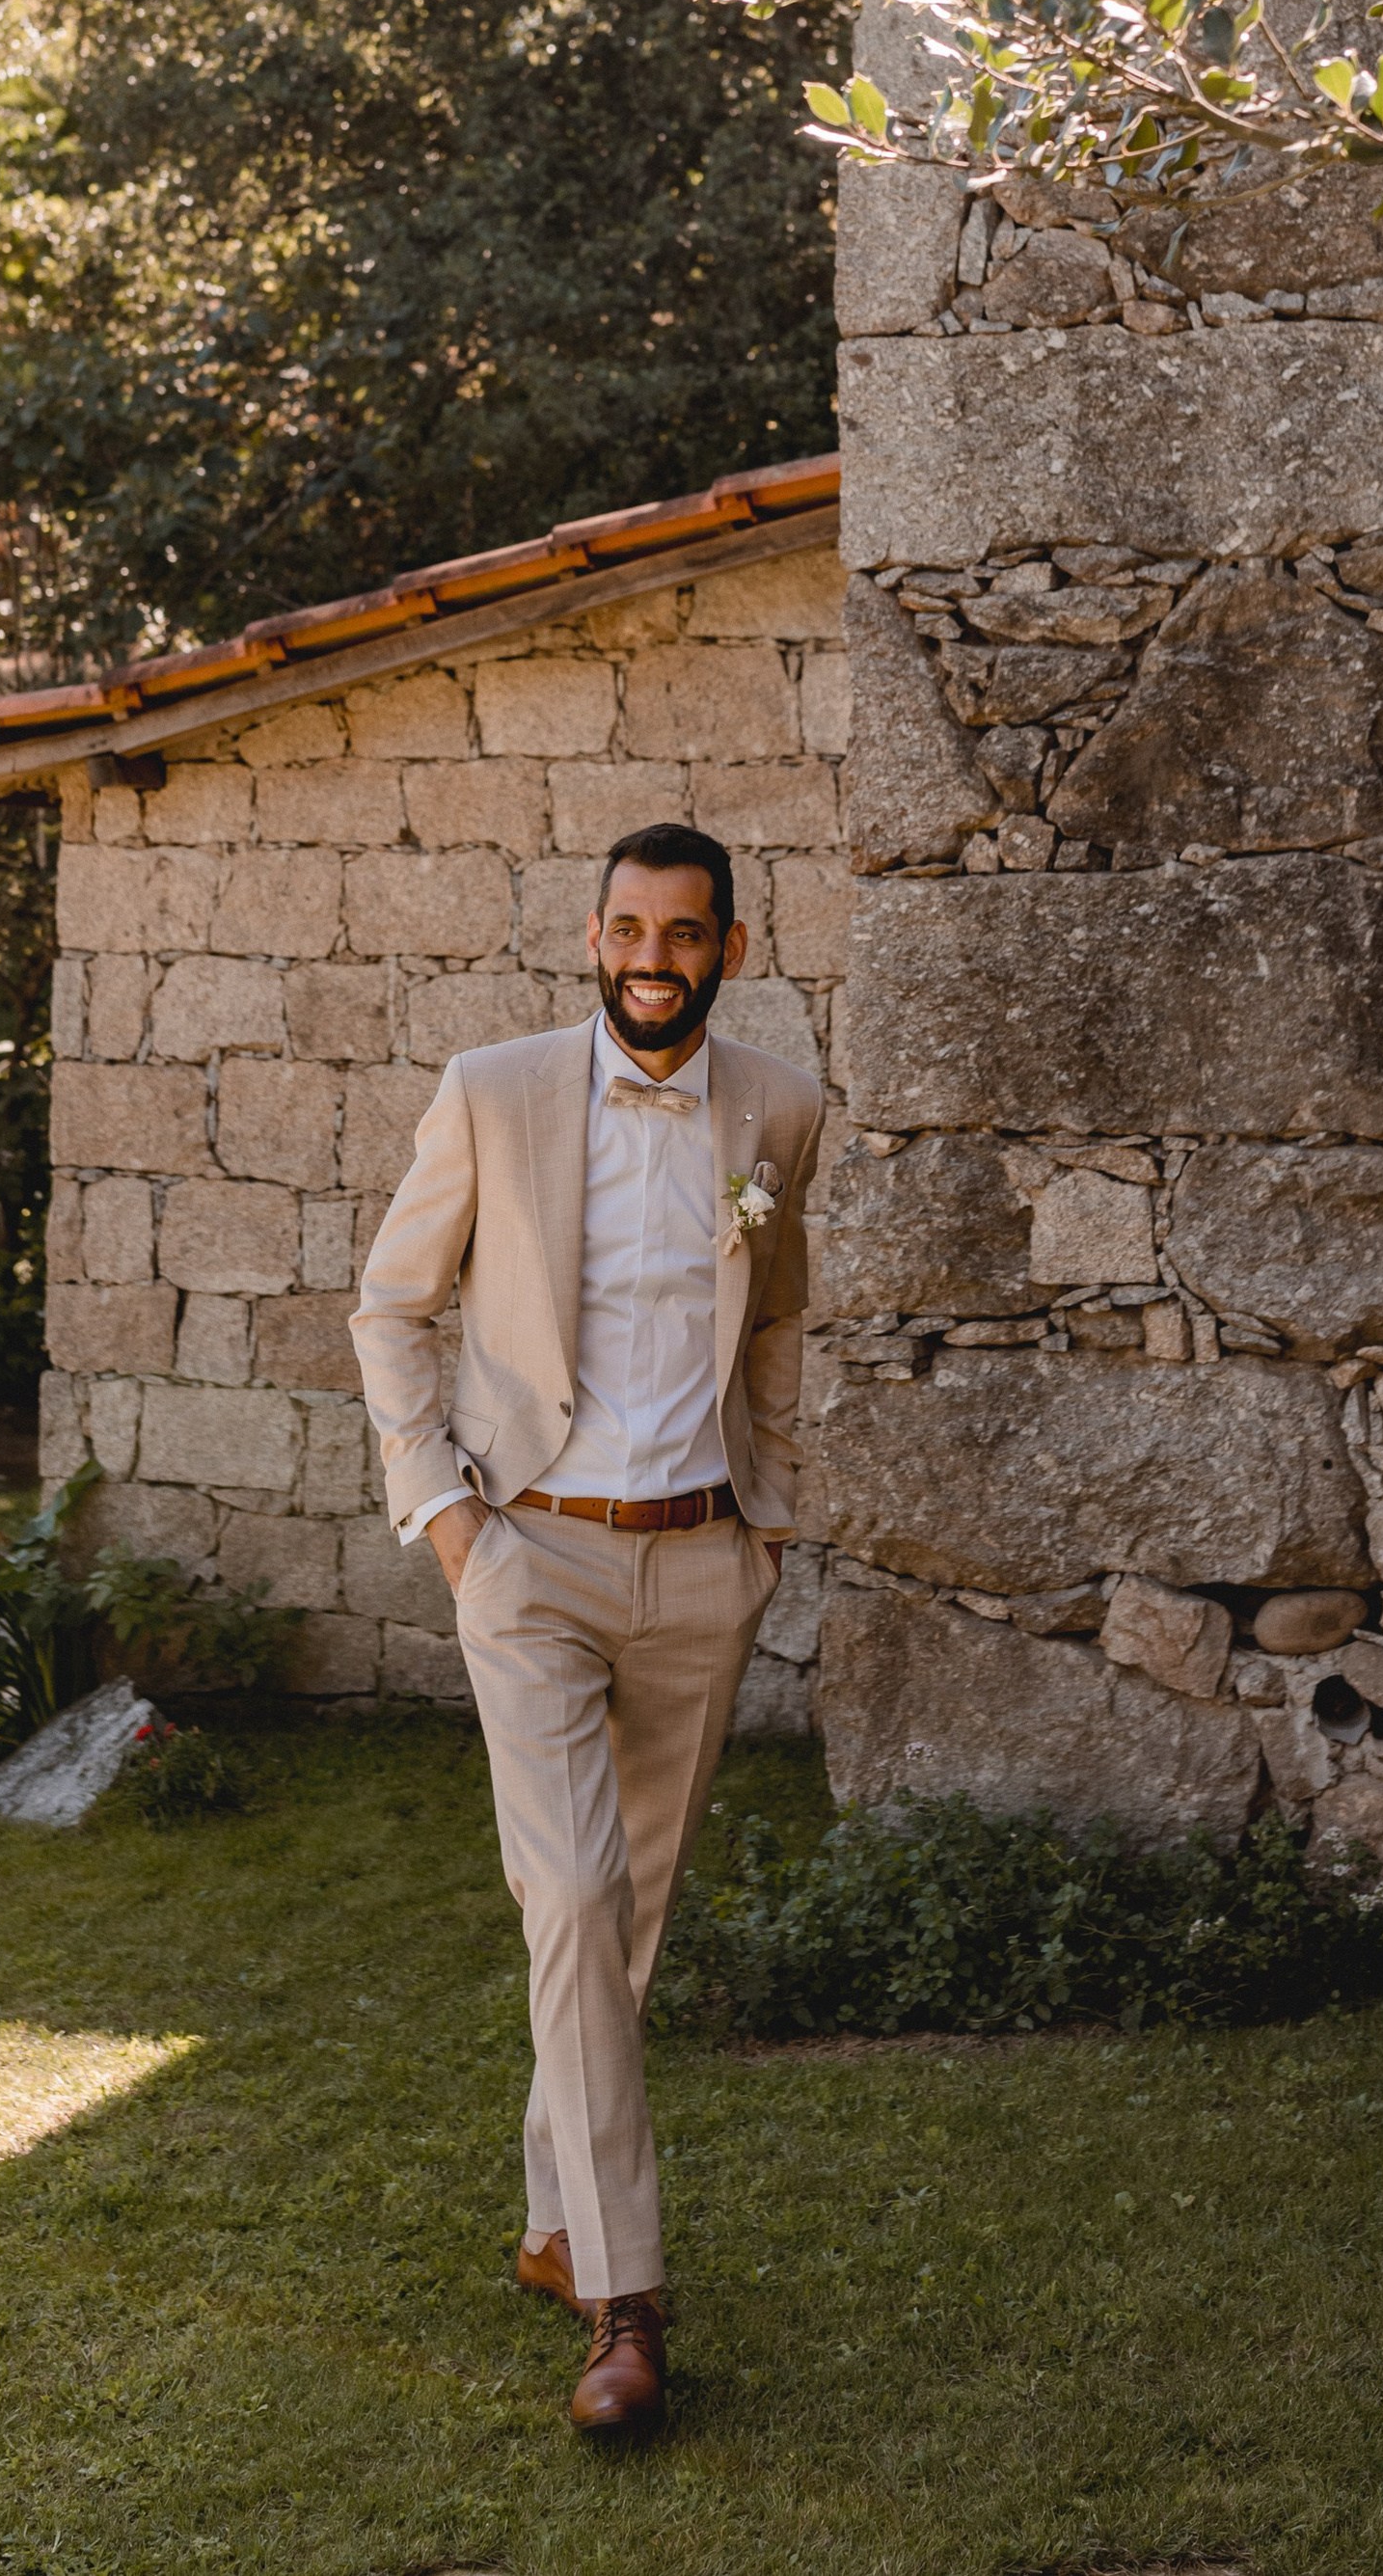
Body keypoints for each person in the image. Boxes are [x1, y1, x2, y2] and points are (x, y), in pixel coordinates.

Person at [349, 819, 824, 2439]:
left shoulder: (779, 1109)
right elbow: (390, 1305)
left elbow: (780, 1317)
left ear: (728, 951)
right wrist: (451, 1517)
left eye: (682, 935)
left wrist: (768, 1513)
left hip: (702, 1566)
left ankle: (559, 2223)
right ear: (594, 937)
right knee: (568, 1895)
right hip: (530, 1560)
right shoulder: (497, 1089)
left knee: (626, 1928)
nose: (649, 959)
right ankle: (632, 2305)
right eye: (626, 929)